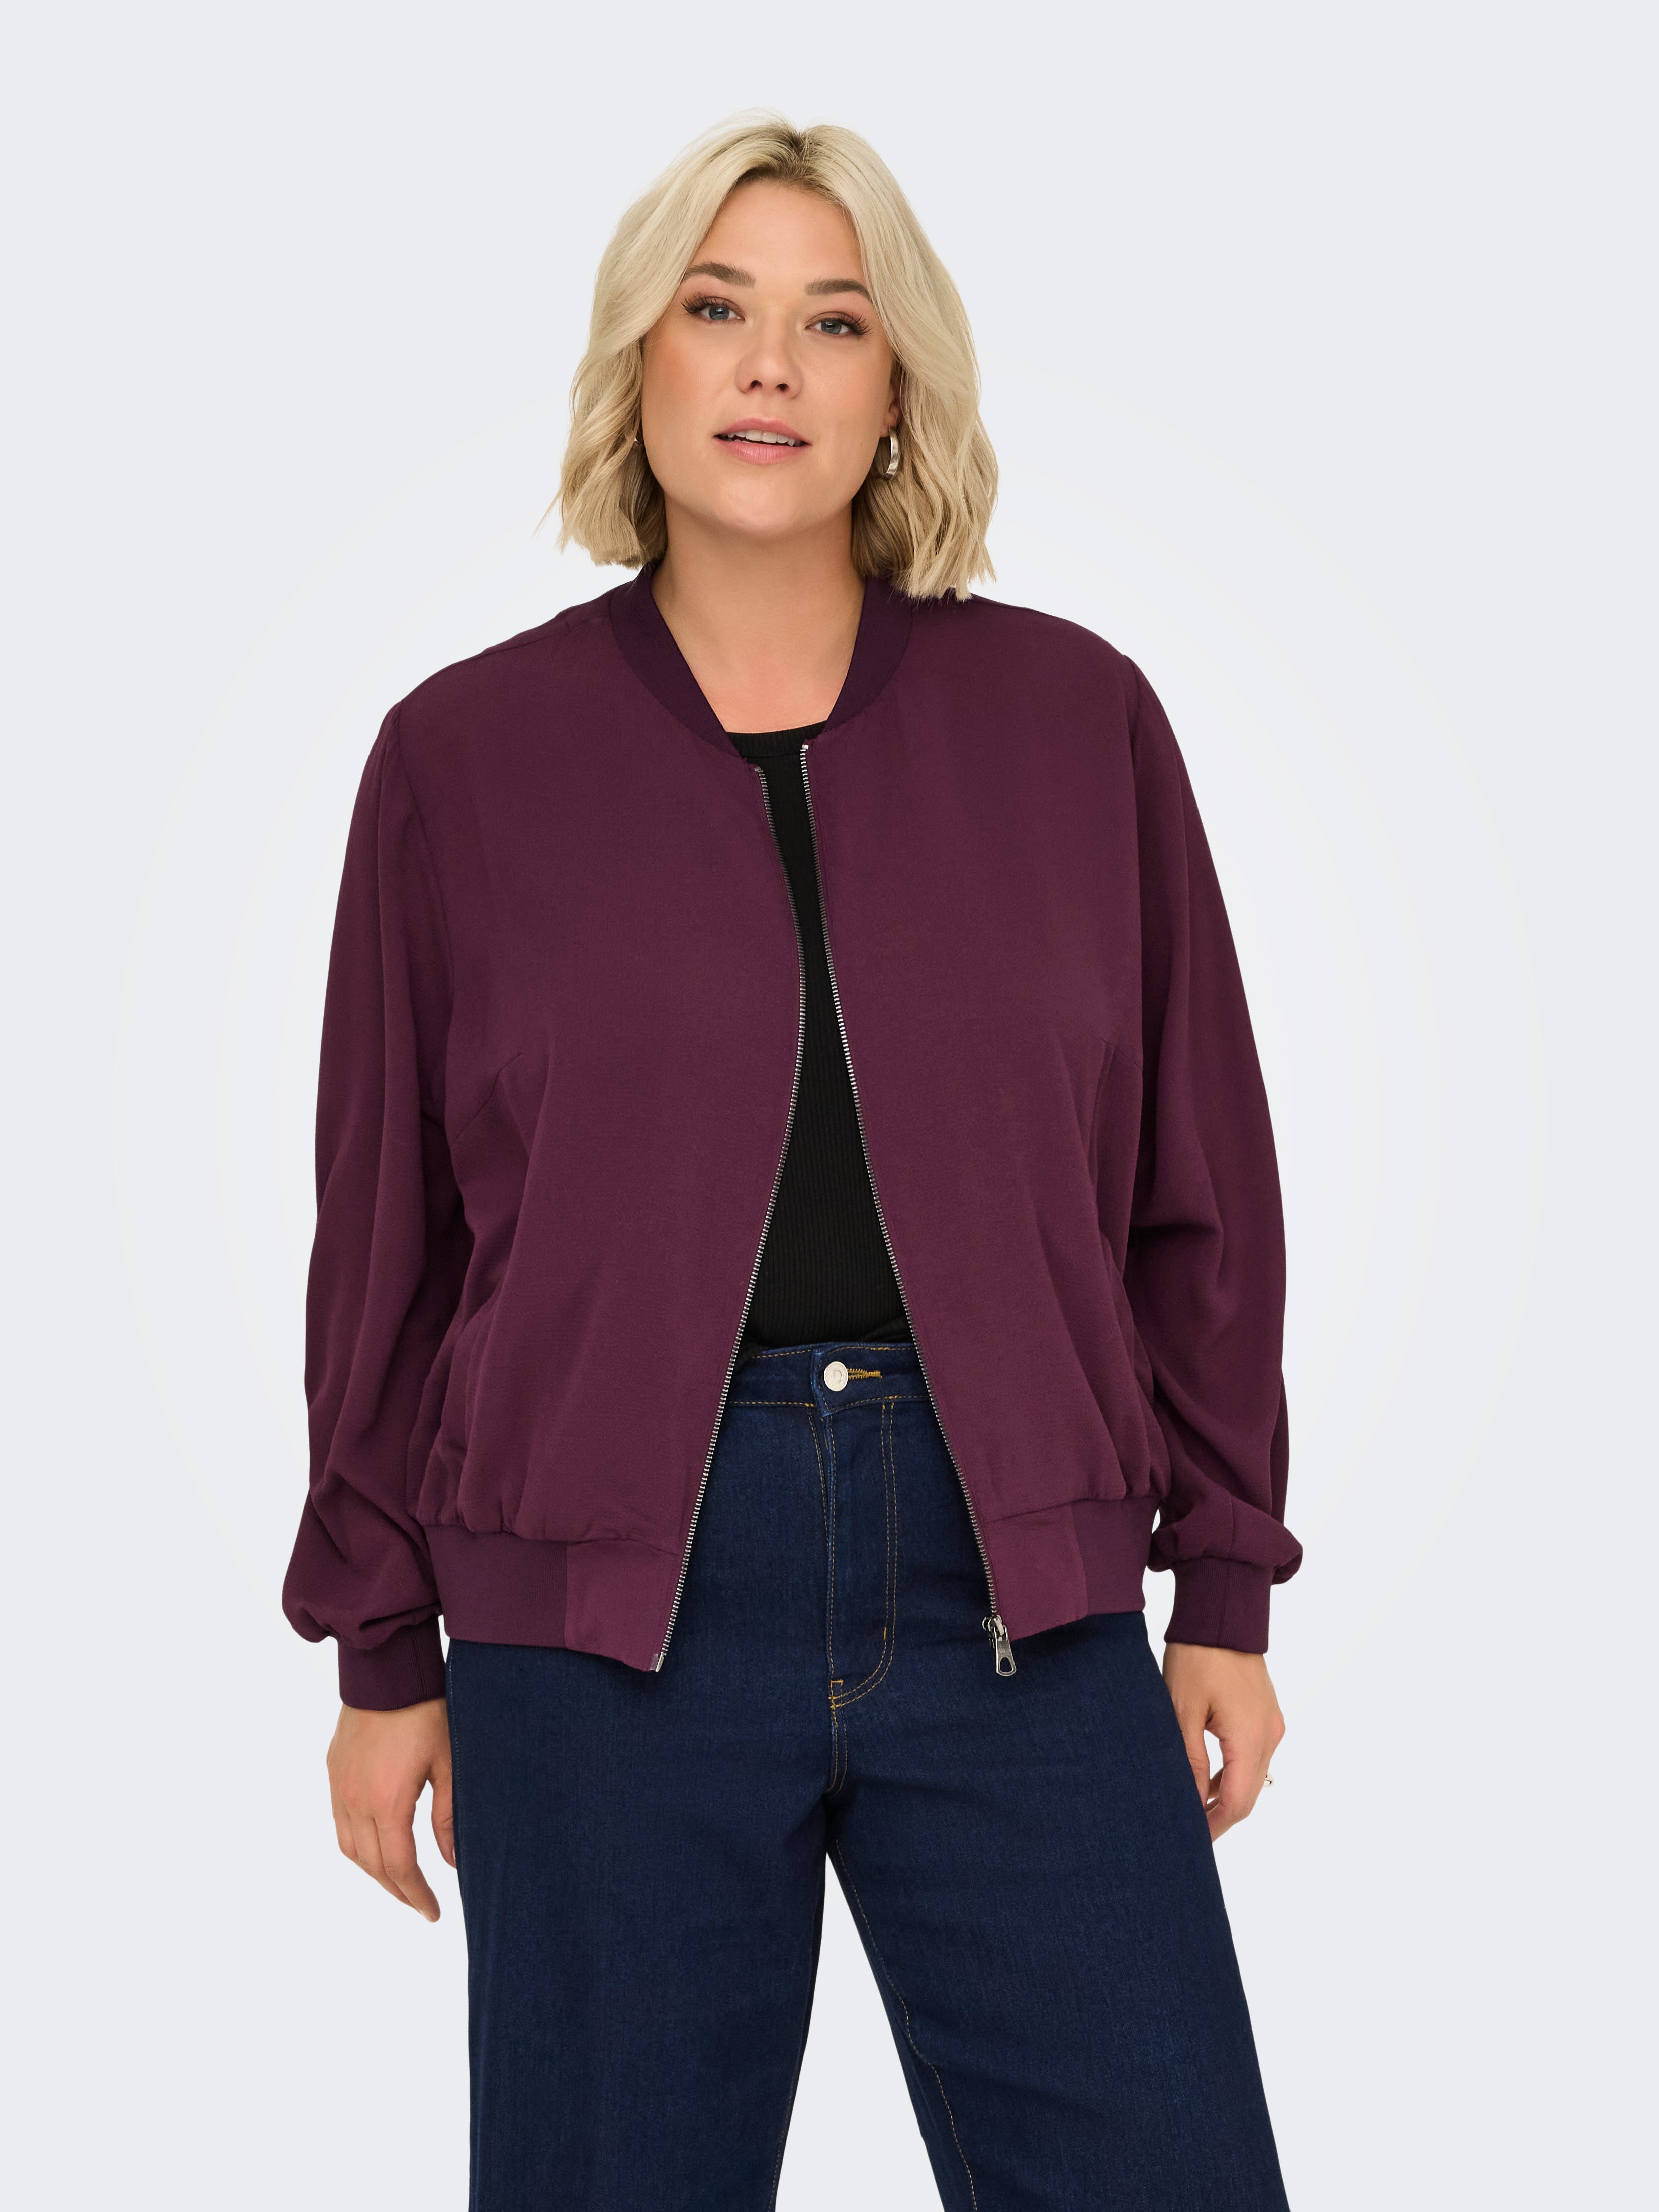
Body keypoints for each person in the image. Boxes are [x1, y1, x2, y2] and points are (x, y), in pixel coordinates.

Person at [283, 112, 1301, 2212]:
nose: (771, 366)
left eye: (834, 321)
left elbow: (1198, 1182)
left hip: (1018, 1589)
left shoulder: (1078, 722)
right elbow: (389, 1242)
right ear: (637, 365)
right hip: (600, 1613)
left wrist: (1223, 1579)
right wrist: (384, 1647)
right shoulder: (462, 761)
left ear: (898, 381)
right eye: (717, 309)